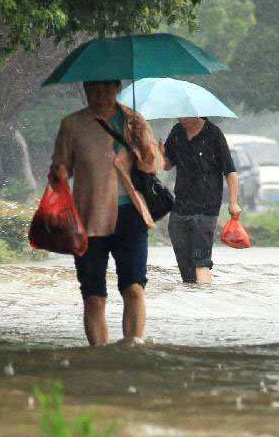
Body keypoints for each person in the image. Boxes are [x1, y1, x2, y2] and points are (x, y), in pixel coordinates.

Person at [49, 80, 164, 347]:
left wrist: (143, 138)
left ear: (117, 89)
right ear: (85, 91)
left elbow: (154, 166)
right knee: (93, 297)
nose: (100, 96)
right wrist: (61, 173)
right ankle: (98, 358)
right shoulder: (72, 125)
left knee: (134, 289)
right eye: (93, 91)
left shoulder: (134, 121)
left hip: (130, 217)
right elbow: (60, 168)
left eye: (106, 90)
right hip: (88, 218)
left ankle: (132, 350)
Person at [164, 117, 239, 284]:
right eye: (179, 115)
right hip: (180, 207)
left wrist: (233, 202)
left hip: (207, 207)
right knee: (185, 266)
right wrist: (154, 153)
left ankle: (206, 300)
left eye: (185, 115)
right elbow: (167, 164)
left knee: (201, 261)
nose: (181, 119)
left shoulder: (213, 134)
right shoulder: (177, 132)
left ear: (197, 113)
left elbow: (230, 172)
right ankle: (192, 302)